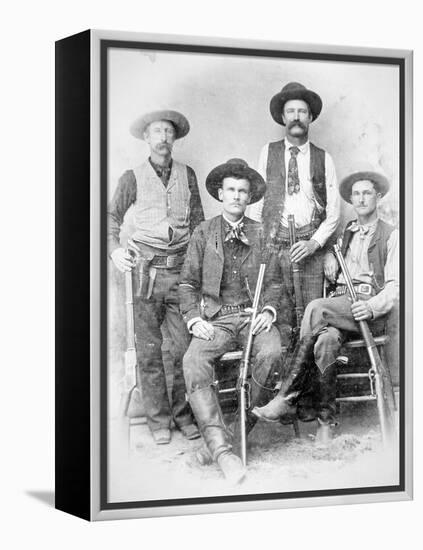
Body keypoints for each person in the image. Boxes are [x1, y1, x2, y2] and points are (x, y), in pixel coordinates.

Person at [252, 171, 399, 442]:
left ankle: (288, 395)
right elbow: (338, 255)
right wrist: (331, 254)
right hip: (341, 308)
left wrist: (373, 307)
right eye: (356, 194)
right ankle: (325, 423)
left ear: (378, 197)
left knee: (316, 308)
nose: (361, 198)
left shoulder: (392, 235)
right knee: (325, 341)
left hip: (366, 310)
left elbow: (396, 287)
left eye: (367, 193)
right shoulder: (348, 233)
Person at [179, 158, 283, 484]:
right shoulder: (203, 232)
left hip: (252, 317)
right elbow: (187, 284)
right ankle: (224, 453)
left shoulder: (261, 232)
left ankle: (230, 438)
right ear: (220, 194)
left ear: (249, 197)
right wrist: (194, 318)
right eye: (231, 190)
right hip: (218, 319)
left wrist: (267, 311)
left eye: (243, 191)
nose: (237, 196)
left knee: (271, 353)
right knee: (193, 361)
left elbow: (276, 283)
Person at [108, 109, 204, 445]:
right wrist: (114, 250)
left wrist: (197, 268)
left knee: (182, 348)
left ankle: (183, 416)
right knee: (149, 350)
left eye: (168, 132)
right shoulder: (131, 177)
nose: (163, 138)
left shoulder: (187, 174)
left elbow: (199, 226)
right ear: (146, 139)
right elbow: (109, 219)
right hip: (145, 272)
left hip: (180, 272)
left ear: (174, 138)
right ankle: (158, 421)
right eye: (156, 132)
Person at [248, 82, 340, 332]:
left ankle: (310, 371)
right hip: (276, 248)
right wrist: (258, 247)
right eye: (291, 111)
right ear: (282, 117)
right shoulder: (268, 152)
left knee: (312, 320)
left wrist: (314, 244)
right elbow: (256, 202)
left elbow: (334, 213)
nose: (296, 117)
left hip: (309, 249)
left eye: (302, 111)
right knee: (281, 318)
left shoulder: (324, 158)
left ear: (310, 117)